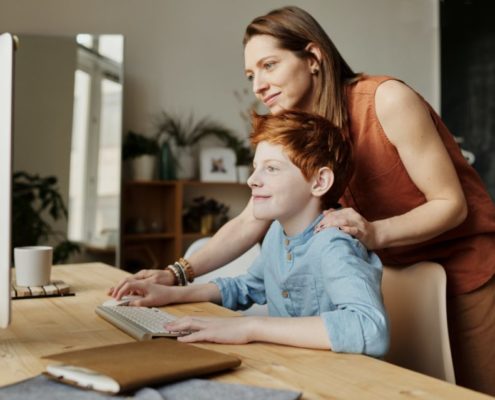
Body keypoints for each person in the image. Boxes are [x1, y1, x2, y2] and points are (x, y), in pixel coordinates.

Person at [110, 6, 495, 395]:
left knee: (475, 389)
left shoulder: (387, 100)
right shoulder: (301, 130)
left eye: (269, 65)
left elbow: (450, 203)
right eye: (251, 75)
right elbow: (250, 221)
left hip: (464, 268)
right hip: (392, 270)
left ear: (313, 58)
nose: (258, 84)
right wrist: (177, 274)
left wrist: (375, 232)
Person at [114, 110, 389, 356]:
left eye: (271, 169)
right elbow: (248, 287)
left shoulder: (334, 243)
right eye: (256, 167)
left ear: (319, 182)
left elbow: (370, 328)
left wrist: (250, 327)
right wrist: (172, 293)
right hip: (291, 366)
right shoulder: (276, 235)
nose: (252, 179)